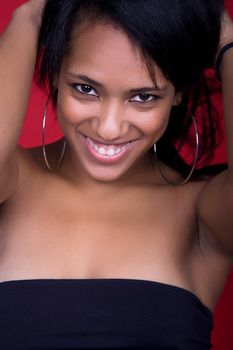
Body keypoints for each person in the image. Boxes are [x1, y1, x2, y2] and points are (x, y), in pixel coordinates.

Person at [0, 0, 232, 348]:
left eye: (143, 96)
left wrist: (226, 38)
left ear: (178, 93)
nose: (109, 128)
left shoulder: (202, 213)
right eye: (86, 88)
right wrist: (30, 16)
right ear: (55, 77)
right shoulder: (12, 186)